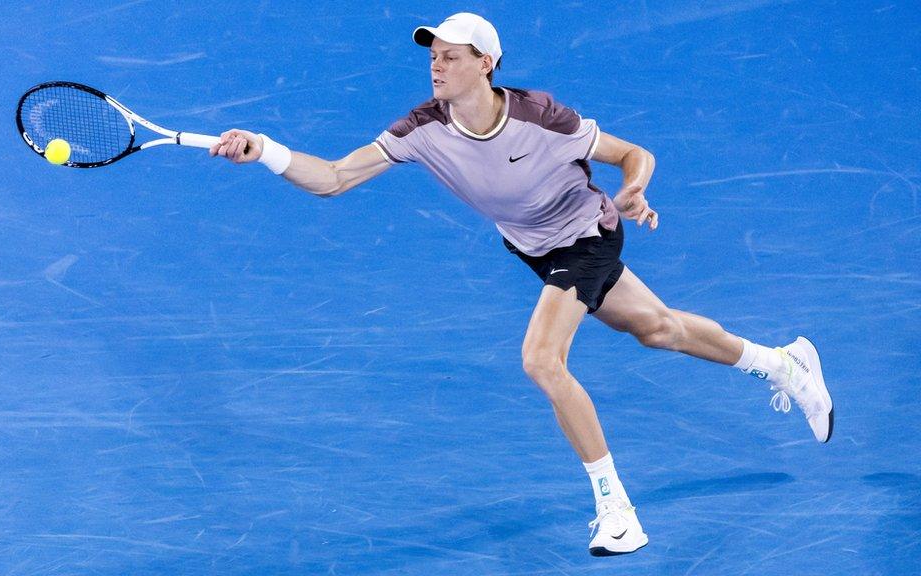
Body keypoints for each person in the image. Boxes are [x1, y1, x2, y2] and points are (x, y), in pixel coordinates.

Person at [208, 12, 834, 557]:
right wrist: (264, 149)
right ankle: (782, 365)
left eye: (450, 57)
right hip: (537, 248)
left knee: (541, 359)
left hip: (586, 233)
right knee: (658, 328)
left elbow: (631, 153)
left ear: (486, 63)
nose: (437, 67)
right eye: (433, 57)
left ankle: (618, 512)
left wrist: (635, 187)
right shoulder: (421, 129)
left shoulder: (541, 116)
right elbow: (335, 177)